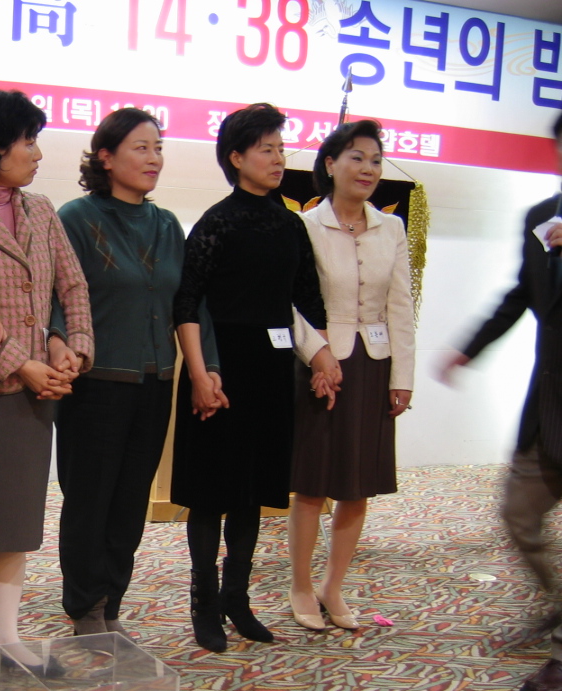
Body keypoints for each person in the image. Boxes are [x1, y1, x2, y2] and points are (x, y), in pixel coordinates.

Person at [171, 102, 340, 653]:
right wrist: (201, 373)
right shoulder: (216, 222)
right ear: (236, 157)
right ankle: (203, 600)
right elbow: (187, 301)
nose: (278, 158)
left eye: (281, 148)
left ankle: (236, 598)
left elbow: (308, 301)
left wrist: (321, 360)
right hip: (221, 368)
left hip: (272, 370)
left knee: (252, 492)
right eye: (266, 149)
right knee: (211, 491)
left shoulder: (290, 225)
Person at [0, 89, 94, 681]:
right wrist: (17, 362)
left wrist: (70, 347)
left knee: (16, 521)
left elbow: (72, 287)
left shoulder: (42, 210)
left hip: (38, 394)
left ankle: (4, 637)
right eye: (28, 141)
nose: (37, 152)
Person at [54, 108, 219, 637]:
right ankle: (85, 606)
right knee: (90, 499)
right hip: (95, 383)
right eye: (141, 148)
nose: (154, 158)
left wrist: (207, 368)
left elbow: (190, 303)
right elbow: (57, 297)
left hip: (155, 382)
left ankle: (111, 603)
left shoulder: (166, 224)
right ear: (106, 156)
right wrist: (58, 345)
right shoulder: (76, 218)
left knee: (130, 501)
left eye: (158, 148)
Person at [441, 111, 562, 691]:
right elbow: (521, 294)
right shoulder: (541, 217)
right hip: (549, 403)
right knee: (518, 514)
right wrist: (470, 346)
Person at [286, 120, 415, 632]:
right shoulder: (304, 225)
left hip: (374, 365)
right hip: (321, 365)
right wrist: (317, 353)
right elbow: (291, 303)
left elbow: (400, 306)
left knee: (357, 485)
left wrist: (403, 375)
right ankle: (300, 585)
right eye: (357, 157)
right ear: (330, 164)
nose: (368, 169)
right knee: (312, 483)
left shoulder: (392, 228)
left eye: (376, 160)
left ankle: (332, 586)